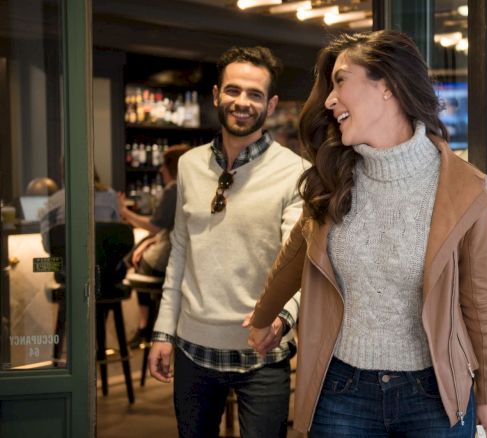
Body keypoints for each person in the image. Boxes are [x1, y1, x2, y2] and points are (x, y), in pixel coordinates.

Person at [247, 30, 487, 438]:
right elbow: (295, 256)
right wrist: (263, 318)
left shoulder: (467, 189)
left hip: (435, 394)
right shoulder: (333, 177)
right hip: (341, 391)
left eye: (340, 81)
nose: (329, 100)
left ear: (387, 85)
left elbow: (481, 300)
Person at [146, 46, 306, 438]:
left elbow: (300, 264)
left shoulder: (296, 171)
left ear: (270, 105)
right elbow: (180, 252)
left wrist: (282, 319)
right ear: (217, 95)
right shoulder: (189, 165)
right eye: (233, 91)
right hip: (192, 348)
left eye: (255, 94)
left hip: (262, 351)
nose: (242, 102)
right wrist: (163, 332)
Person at [118, 144, 189, 346]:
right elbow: (170, 228)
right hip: (185, 258)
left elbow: (155, 226)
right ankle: (151, 325)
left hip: (170, 258)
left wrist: (124, 212)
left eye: (163, 165)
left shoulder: (173, 189)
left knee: (140, 263)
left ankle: (145, 326)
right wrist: (149, 242)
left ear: (171, 167)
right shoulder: (191, 188)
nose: (160, 170)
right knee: (141, 254)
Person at [39, 171, 120, 252]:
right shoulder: (110, 195)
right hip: (104, 257)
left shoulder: (55, 200)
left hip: (68, 257)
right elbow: (116, 234)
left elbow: (47, 245)